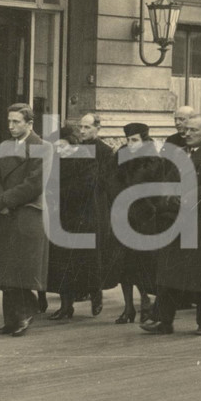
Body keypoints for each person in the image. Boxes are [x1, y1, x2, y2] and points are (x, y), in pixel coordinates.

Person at [141, 114, 201, 336]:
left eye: (193, 130)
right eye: (186, 130)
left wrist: (184, 198)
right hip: (177, 219)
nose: (187, 133)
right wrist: (167, 200)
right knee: (169, 270)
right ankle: (163, 320)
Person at [0, 103, 50, 337]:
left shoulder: (42, 147)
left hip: (27, 212)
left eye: (16, 122)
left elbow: (34, 184)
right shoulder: (5, 147)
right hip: (6, 211)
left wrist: (4, 201)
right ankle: (11, 319)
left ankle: (24, 313)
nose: (11, 126)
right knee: (6, 268)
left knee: (21, 268)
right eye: (9, 122)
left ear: (29, 124)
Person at [45, 126, 108, 320]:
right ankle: (66, 306)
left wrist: (56, 194)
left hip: (84, 218)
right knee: (63, 263)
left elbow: (84, 188)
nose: (59, 151)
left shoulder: (87, 160)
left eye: (63, 146)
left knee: (87, 262)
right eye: (56, 147)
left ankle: (96, 294)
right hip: (62, 218)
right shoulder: (55, 161)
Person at [112, 122, 168, 323]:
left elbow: (147, 185)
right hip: (123, 215)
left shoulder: (153, 159)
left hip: (146, 217)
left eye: (134, 140)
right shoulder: (122, 154)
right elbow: (112, 180)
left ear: (144, 139)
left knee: (144, 263)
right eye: (127, 140)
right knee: (124, 264)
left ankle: (145, 303)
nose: (130, 144)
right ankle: (128, 308)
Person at [73, 112, 122, 316]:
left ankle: (96, 294)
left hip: (95, 207)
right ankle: (76, 293)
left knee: (94, 253)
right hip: (76, 207)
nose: (83, 131)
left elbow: (105, 181)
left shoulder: (105, 152)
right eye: (81, 127)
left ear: (98, 129)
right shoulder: (75, 149)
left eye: (87, 127)